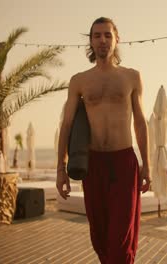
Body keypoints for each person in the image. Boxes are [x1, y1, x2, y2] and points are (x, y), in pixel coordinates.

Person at [56, 17, 151, 264]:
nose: (102, 40)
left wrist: (147, 165)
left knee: (121, 236)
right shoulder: (79, 81)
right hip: (93, 163)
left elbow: (140, 122)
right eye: (97, 35)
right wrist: (60, 169)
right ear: (90, 41)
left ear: (117, 39)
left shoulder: (131, 77)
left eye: (107, 35)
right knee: (99, 236)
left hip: (123, 161)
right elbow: (66, 124)